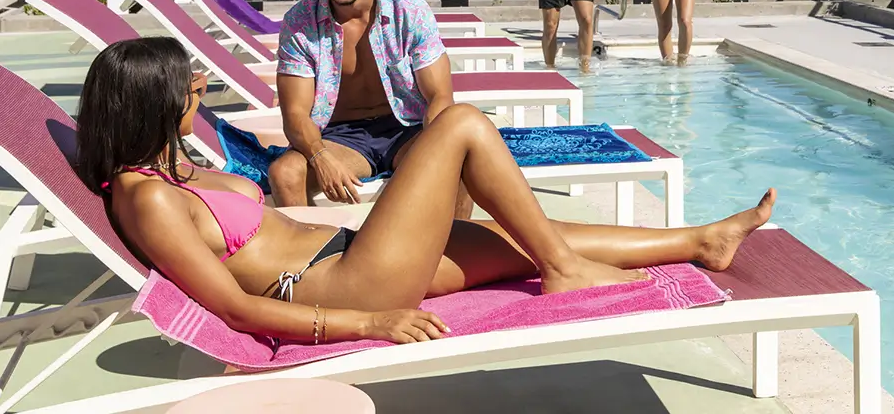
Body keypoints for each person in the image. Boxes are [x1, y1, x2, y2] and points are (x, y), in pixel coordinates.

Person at [77, 36, 778, 345]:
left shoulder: (175, 164)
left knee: (514, 241)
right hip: (345, 287)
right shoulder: (150, 199)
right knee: (461, 125)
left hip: (350, 254)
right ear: (150, 102)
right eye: (187, 80)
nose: (200, 82)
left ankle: (701, 241)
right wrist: (367, 323)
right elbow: (231, 307)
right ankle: (566, 273)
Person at [268, 0, 467, 218]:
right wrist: (320, 156)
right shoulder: (299, 23)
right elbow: (294, 114)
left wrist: (431, 149)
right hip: (339, 137)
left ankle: (455, 251)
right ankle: (311, 257)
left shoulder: (409, 11)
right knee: (285, 173)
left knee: (459, 162)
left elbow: (440, 96)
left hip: (407, 130)